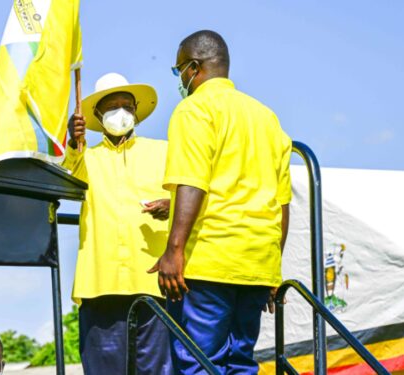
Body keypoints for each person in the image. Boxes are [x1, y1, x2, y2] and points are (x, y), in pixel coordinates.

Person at [149, 30, 292, 374]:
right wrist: (273, 270)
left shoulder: (194, 110)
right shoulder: (266, 117)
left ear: (193, 67)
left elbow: (192, 182)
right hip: (258, 265)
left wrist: (174, 249)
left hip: (210, 262)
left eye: (178, 70)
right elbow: (282, 202)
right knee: (240, 363)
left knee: (199, 362)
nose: (179, 79)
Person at [63, 72, 173, 375]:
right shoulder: (86, 157)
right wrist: (74, 142)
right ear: (98, 114)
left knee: (158, 370)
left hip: (154, 282)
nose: (121, 112)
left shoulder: (163, 151)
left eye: (127, 105)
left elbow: (188, 197)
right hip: (101, 283)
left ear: (136, 111)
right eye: (112, 106)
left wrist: (171, 206)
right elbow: (66, 179)